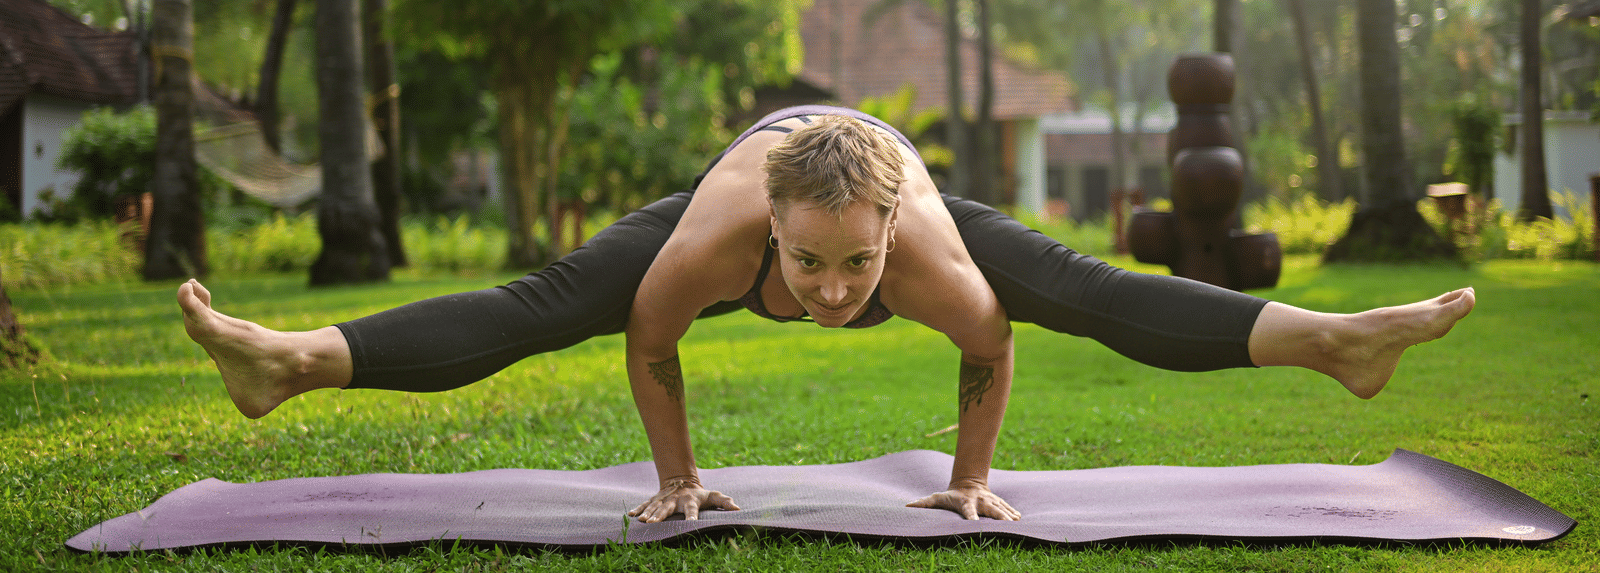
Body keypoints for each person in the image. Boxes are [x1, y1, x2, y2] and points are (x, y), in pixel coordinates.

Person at [178, 105, 1475, 524]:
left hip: (883, 173)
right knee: (552, 301)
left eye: (856, 272)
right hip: (757, 177)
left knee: (1084, 288)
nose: (836, 294)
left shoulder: (921, 255)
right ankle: (291, 362)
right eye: (811, 270)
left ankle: (1337, 343)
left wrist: (972, 478)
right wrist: (676, 475)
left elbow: (992, 341)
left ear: (887, 240)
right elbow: (646, 339)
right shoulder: (719, 238)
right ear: (773, 241)